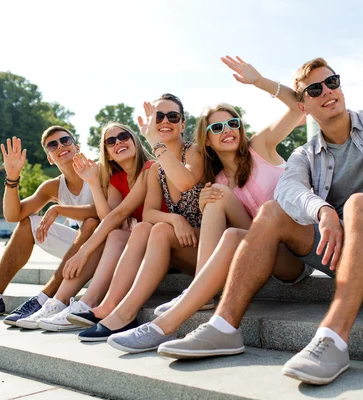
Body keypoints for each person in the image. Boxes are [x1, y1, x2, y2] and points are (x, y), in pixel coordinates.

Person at [158, 5, 363, 386]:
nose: (328, 92)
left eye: (332, 82)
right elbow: (290, 190)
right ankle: (223, 326)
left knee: (357, 204)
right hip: (343, 250)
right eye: (314, 90)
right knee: (272, 211)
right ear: (303, 105)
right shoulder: (304, 155)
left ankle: (332, 339)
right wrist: (321, 209)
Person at [106, 57, 312, 353]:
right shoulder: (215, 178)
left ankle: (176, 314)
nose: (227, 130)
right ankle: (195, 298)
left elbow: (297, 107)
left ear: (241, 128)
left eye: (232, 123)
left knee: (217, 198)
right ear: (208, 139)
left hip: (294, 251)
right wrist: (204, 204)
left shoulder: (260, 146)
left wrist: (260, 81)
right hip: (259, 250)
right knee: (216, 199)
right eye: (217, 128)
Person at [73, 93, 207, 342]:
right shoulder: (155, 168)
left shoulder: (194, 152)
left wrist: (156, 143)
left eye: (172, 116)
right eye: (158, 116)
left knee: (156, 229)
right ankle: (111, 306)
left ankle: (124, 313)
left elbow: (186, 181)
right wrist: (175, 219)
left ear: (183, 123)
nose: (165, 120)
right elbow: (148, 213)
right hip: (179, 244)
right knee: (145, 227)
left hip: (208, 249)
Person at [0, 127, 100, 324]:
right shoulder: (52, 187)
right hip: (83, 250)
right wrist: (12, 177)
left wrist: (59, 209)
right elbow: (13, 215)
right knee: (28, 222)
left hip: (112, 248)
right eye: (53, 145)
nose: (60, 145)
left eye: (65, 140)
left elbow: (104, 212)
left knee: (91, 224)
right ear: (50, 158)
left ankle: (43, 299)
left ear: (76, 147)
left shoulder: (99, 170)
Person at [18, 122, 154, 330]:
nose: (118, 142)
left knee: (103, 231)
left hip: (161, 241)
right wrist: (92, 182)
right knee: (113, 234)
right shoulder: (116, 179)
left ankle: (86, 303)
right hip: (138, 240)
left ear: (134, 139)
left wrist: (83, 250)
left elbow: (117, 214)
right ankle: (60, 302)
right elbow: (110, 217)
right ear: (107, 154)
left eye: (124, 136)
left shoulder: (149, 169)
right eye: (110, 141)